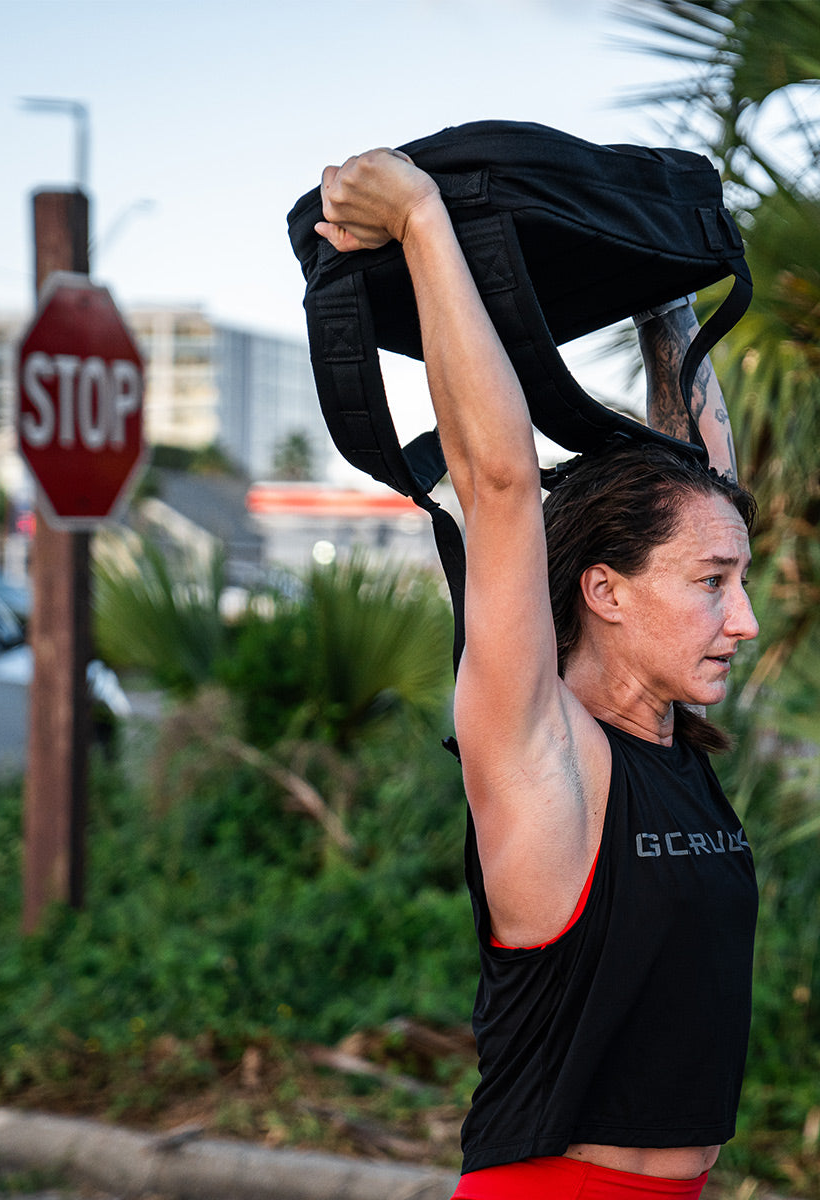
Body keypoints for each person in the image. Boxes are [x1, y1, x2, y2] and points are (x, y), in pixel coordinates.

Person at [316, 147, 759, 1200]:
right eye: (713, 584)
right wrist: (424, 221)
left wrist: (666, 295)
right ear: (604, 591)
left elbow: (706, 483)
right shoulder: (538, 751)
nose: (744, 618)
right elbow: (503, 483)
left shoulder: (667, 744)